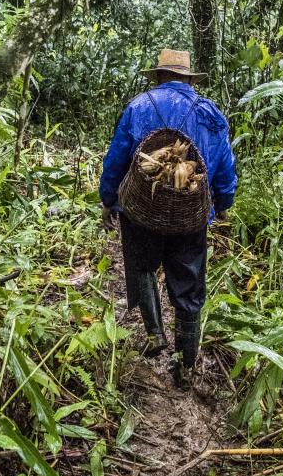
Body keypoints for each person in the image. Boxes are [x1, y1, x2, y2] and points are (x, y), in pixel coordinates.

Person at [100, 49, 237, 388]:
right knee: (189, 281)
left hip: (143, 210)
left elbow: (117, 157)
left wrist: (108, 198)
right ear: (189, 80)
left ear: (160, 77)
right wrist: (222, 203)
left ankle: (153, 332)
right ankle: (187, 363)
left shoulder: (138, 107)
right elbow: (224, 166)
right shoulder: (210, 113)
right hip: (190, 215)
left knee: (142, 263)